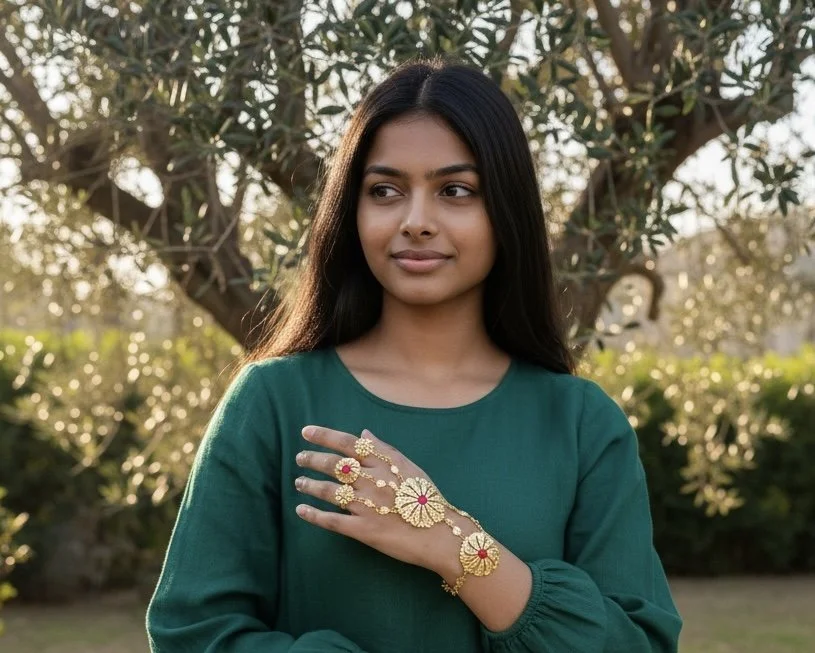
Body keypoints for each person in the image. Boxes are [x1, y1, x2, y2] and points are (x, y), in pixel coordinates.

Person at [146, 58, 682, 652]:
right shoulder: (273, 402)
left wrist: (451, 543)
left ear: (504, 211)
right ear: (353, 214)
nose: (416, 222)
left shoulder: (582, 424)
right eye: (385, 191)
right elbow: (191, 635)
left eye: (455, 190)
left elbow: (640, 644)